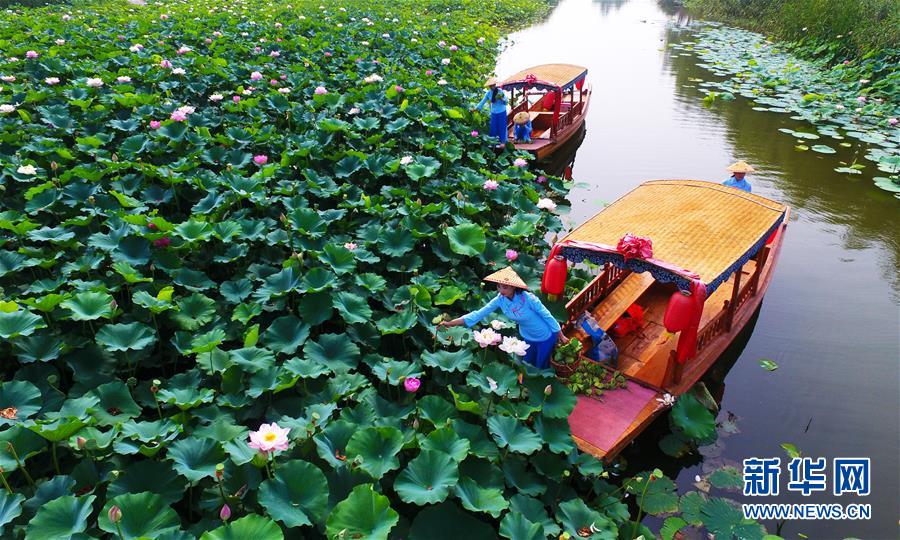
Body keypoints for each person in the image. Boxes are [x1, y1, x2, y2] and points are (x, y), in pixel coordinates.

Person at [439, 267, 568, 369]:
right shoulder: (499, 300)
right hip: (527, 336)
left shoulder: (529, 299)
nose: (501, 290)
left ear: (513, 286)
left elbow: (548, 316)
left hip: (545, 335)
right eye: (498, 286)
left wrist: (561, 336)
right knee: (527, 366)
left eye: (505, 287)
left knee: (541, 366)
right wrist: (451, 323)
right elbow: (478, 314)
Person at [474, 77, 508, 147]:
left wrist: (502, 99)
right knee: (493, 127)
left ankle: (502, 142)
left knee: (502, 126)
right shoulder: (488, 93)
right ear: (489, 86)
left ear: (495, 85)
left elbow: (506, 102)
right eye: (491, 85)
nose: (492, 86)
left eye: (493, 85)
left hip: (502, 111)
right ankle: (492, 142)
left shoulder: (500, 91)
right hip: (493, 112)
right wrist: (477, 108)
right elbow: (482, 102)